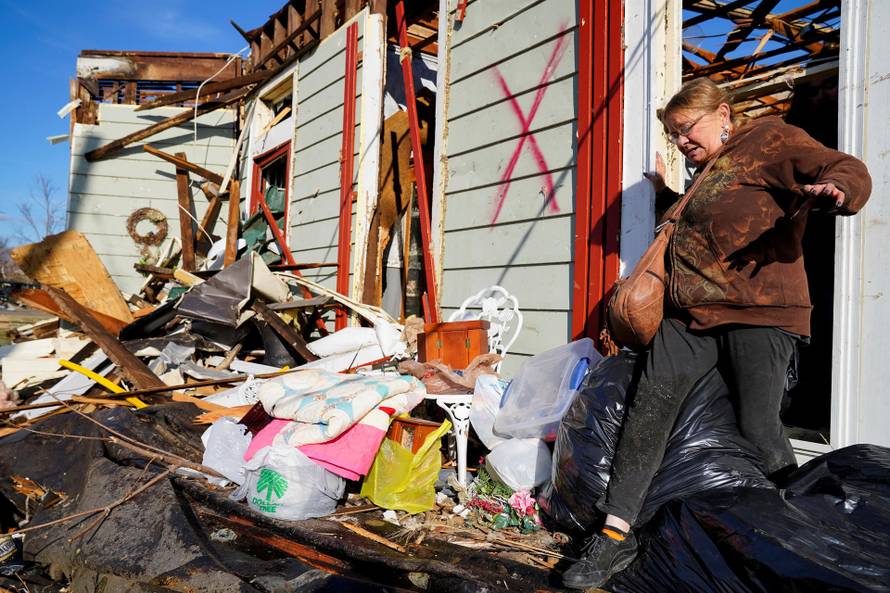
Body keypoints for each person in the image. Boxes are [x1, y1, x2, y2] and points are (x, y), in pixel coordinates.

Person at [562, 77, 872, 590]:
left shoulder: (770, 139)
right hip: (689, 319)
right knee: (647, 412)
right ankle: (614, 536)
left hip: (759, 309)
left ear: (724, 115)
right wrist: (667, 196)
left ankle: (797, 532)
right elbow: (708, 223)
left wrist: (840, 190)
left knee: (759, 428)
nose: (682, 141)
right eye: (674, 134)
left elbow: (845, 167)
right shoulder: (707, 174)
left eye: (687, 129)